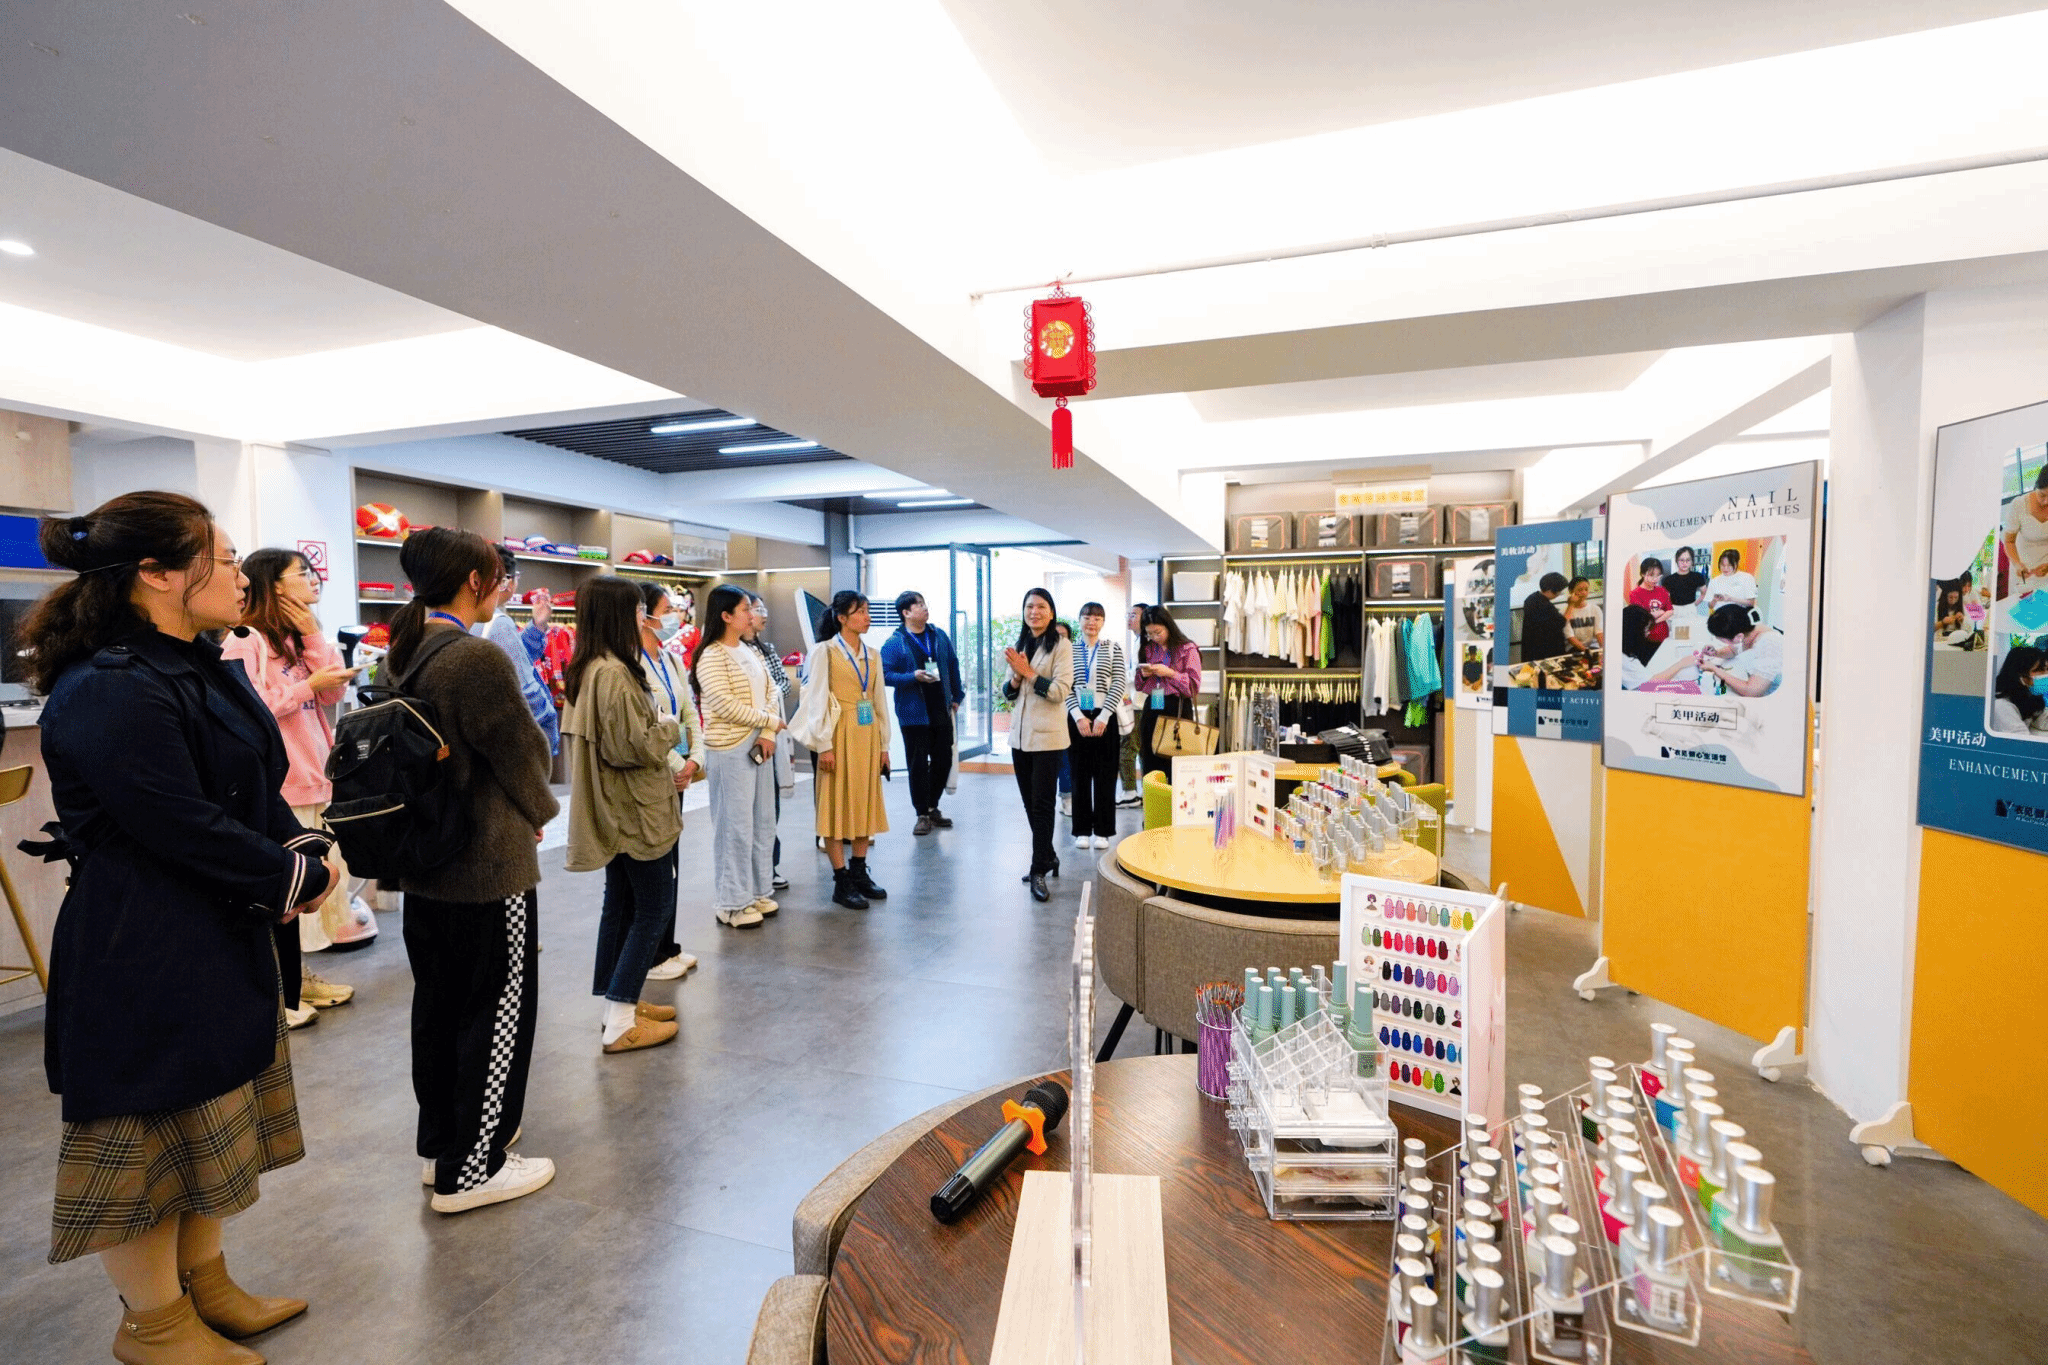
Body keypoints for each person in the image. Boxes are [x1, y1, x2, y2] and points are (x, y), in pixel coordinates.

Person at [27, 492, 336, 1358]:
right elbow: (177, 822)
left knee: (212, 1114)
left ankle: (204, 1282)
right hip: (140, 944)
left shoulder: (198, 660)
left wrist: (299, 846)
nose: (243, 575)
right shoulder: (109, 685)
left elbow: (254, 784)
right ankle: (154, 1323)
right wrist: (288, 874)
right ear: (157, 574)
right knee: (147, 1134)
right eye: (226, 559)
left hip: (214, 925)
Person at [384, 527, 560, 1214]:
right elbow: (521, 753)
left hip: (424, 860)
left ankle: (444, 1151)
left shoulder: (402, 651)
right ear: (474, 581)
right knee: (498, 1008)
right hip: (488, 862)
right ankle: (475, 1165)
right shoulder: (474, 658)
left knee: (439, 1005)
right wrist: (539, 808)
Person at [222, 548, 360, 1030]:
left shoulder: (294, 639)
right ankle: (280, 994)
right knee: (287, 894)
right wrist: (306, 686)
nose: (312, 579)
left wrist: (313, 635)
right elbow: (244, 706)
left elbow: (333, 692)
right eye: (301, 573)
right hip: (283, 787)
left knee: (320, 888)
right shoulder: (246, 641)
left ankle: (299, 980)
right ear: (274, 585)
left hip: (318, 777)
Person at [560, 577, 683, 1056]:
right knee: (653, 908)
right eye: (637, 611)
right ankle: (619, 1019)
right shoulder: (613, 673)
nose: (645, 619)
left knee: (623, 904)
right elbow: (635, 747)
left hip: (620, 808)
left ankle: (619, 998)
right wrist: (669, 728)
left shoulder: (590, 667)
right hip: (636, 810)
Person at [692, 585, 784, 927]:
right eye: (746, 609)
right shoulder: (711, 655)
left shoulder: (750, 650)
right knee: (734, 827)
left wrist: (767, 731)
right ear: (726, 616)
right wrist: (769, 722)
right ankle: (731, 902)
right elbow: (723, 704)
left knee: (763, 822)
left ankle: (757, 891)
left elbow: (772, 690)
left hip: (760, 745)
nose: (752, 614)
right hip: (729, 749)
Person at [792, 591, 892, 909]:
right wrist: (824, 746)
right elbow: (816, 700)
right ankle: (841, 879)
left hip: (867, 735)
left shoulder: (873, 655)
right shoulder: (824, 652)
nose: (867, 617)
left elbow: (879, 703)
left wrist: (884, 745)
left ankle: (860, 871)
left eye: (867, 611)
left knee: (864, 802)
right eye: (860, 611)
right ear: (842, 618)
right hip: (837, 734)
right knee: (834, 806)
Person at [634, 580, 703, 982]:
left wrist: (695, 759)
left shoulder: (672, 659)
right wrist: (678, 763)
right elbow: (646, 724)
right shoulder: (632, 663)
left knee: (673, 859)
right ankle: (653, 954)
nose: (675, 615)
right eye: (667, 609)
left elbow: (688, 711)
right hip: (656, 769)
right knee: (657, 865)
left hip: (679, 768)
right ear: (644, 615)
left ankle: (668, 945)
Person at [1003, 588, 1073, 901]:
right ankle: (1048, 855)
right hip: (1020, 738)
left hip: (1048, 738)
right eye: (1029, 606)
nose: (1034, 612)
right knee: (1030, 803)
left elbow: (1059, 691)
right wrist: (1016, 679)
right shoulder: (1020, 644)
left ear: (1051, 612)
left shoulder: (1061, 645)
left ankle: (1038, 870)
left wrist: (1029, 673)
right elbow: (1008, 693)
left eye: (1041, 606)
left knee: (1043, 804)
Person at [880, 589, 964, 835]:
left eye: (924, 603)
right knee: (917, 764)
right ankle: (922, 814)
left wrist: (957, 696)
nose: (924, 608)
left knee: (943, 760)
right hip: (913, 713)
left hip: (941, 708)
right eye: (918, 605)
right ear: (906, 613)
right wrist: (912, 676)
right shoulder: (895, 642)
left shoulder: (938, 636)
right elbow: (884, 674)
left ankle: (932, 805)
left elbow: (953, 664)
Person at [476, 546, 560, 756]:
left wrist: (537, 627)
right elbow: (526, 691)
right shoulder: (498, 623)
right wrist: (549, 731)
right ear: (506, 581)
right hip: (508, 745)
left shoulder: (475, 617)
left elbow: (515, 658)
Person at [743, 590, 796, 891]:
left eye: (763, 609)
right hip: (743, 735)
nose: (763, 615)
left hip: (770, 733)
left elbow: (784, 685)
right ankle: (749, 872)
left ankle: (770, 866)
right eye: (756, 609)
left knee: (769, 803)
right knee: (746, 806)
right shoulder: (728, 651)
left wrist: (770, 694)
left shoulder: (768, 649)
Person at [1066, 601, 1128, 849]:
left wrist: (1103, 716)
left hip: (1105, 717)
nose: (1091, 622)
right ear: (1079, 620)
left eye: (1097, 618)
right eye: (1087, 617)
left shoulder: (1112, 648)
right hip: (1077, 718)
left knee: (1105, 776)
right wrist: (1078, 716)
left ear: (1103, 622)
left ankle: (1103, 831)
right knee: (1079, 776)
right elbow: (1065, 685)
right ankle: (1081, 831)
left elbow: (1119, 682)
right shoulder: (1069, 650)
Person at [1133, 605, 1200, 781]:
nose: (1154, 637)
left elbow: (1193, 687)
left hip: (1177, 709)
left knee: (1177, 763)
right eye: (1149, 634)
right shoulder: (1148, 649)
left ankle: (1177, 798)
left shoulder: (1187, 649)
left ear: (1168, 626)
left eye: (1158, 632)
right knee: (1150, 760)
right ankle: (1154, 797)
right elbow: (1138, 686)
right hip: (1152, 708)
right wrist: (1143, 674)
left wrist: (1170, 673)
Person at [1699, 604, 1786, 697]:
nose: (1718, 639)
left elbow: (1752, 691)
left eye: (1720, 639)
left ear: (1738, 636)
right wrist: (1716, 653)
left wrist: (1715, 669)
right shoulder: (1747, 628)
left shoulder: (1770, 645)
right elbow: (1733, 650)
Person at [1116, 602, 1148, 806]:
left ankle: (1129, 792)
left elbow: (1140, 674)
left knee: (1128, 746)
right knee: (1140, 748)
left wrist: (1119, 676)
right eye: (1128, 614)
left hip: (1139, 704)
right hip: (1137, 702)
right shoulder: (1139, 641)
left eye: (1134, 615)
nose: (1130, 618)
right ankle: (1144, 791)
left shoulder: (1146, 643)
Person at [1990, 645, 2048, 734]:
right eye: (2038, 670)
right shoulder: (2001, 705)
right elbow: (2020, 737)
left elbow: (2042, 719)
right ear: (2019, 675)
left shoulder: (2026, 695)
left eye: (2046, 669)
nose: (2045, 674)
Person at [1519, 572, 1571, 661]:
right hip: (1545, 653)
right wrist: (1571, 605)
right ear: (1551, 590)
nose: (1559, 594)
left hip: (1531, 650)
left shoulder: (1531, 598)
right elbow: (1561, 623)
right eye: (1559, 591)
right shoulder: (1544, 605)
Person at [1628, 558, 1674, 647]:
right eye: (1651, 575)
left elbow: (1670, 611)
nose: (1655, 579)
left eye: (1658, 575)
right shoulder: (1634, 594)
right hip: (1646, 638)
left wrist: (1655, 621)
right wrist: (1661, 612)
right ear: (1642, 574)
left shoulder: (1662, 590)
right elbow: (1642, 618)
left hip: (1664, 635)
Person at [1562, 576, 1602, 654]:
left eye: (1586, 589)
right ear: (1571, 591)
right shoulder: (1565, 612)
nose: (1584, 593)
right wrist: (1587, 651)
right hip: (1573, 649)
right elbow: (1570, 637)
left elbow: (1599, 632)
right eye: (1580, 590)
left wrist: (1603, 650)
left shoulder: (1595, 609)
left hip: (1592, 646)